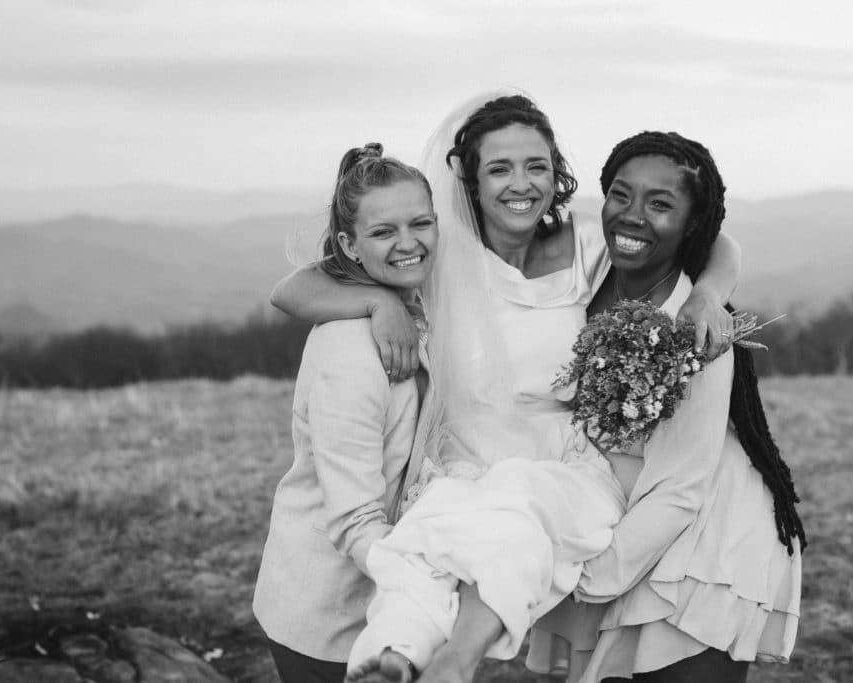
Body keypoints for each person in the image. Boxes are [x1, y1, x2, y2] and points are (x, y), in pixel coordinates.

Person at [269, 92, 743, 683]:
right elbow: (291, 291)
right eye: (499, 168)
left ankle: (452, 663)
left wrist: (708, 291)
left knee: (516, 514)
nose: (520, 184)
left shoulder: (589, 246)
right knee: (429, 542)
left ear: (556, 174)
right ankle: (394, 657)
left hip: (561, 465)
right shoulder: (438, 253)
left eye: (536, 166)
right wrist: (374, 299)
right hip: (462, 460)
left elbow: (710, 234)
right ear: (468, 179)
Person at [526, 131, 807, 683]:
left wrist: (581, 579)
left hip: (704, 535)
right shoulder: (589, 267)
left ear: (691, 225)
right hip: (622, 514)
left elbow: (680, 492)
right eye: (621, 195)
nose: (632, 216)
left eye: (660, 204)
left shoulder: (695, 329)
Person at [252, 144, 437, 683]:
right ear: (349, 246)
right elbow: (354, 517)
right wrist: (422, 588)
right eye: (383, 232)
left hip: (392, 606)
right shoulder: (351, 353)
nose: (408, 243)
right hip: (330, 614)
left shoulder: (423, 305)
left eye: (421, 223)